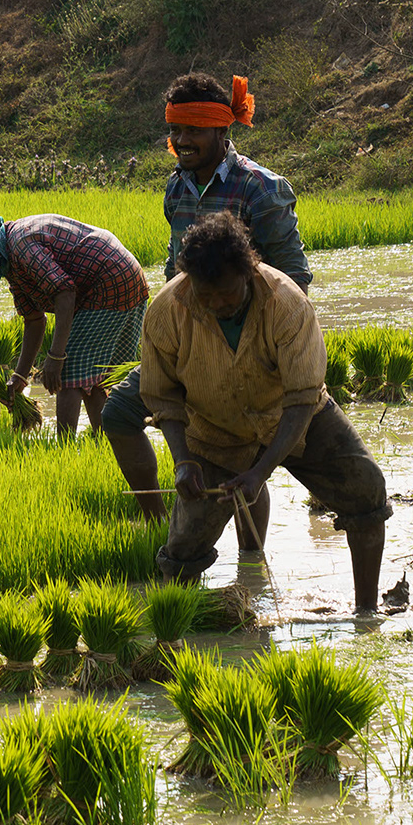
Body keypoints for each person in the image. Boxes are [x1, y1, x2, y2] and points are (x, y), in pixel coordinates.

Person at [140, 213, 389, 614]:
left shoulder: (285, 302)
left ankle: (366, 614)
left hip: (292, 417)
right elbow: (162, 396)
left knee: (366, 487)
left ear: (248, 272)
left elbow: (302, 397)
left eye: (227, 294)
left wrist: (261, 471)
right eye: (207, 296)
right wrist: (183, 461)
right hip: (213, 428)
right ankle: (173, 630)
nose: (218, 305)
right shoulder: (167, 310)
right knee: (185, 543)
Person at [104, 73, 311, 547]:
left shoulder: (261, 189)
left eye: (193, 130)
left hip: (248, 343)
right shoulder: (177, 188)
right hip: (189, 342)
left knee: (242, 453)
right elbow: (175, 272)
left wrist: (261, 344)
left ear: (221, 128)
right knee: (119, 412)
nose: (181, 140)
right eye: (175, 130)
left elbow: (294, 280)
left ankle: (251, 560)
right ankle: (159, 525)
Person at [0, 212, 148, 436]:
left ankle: (64, 447)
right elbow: (34, 320)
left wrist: (56, 356)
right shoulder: (10, 262)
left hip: (109, 279)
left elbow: (64, 292)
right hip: (126, 274)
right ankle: (111, 443)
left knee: (69, 373)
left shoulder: (20, 244)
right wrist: (20, 376)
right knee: (97, 379)